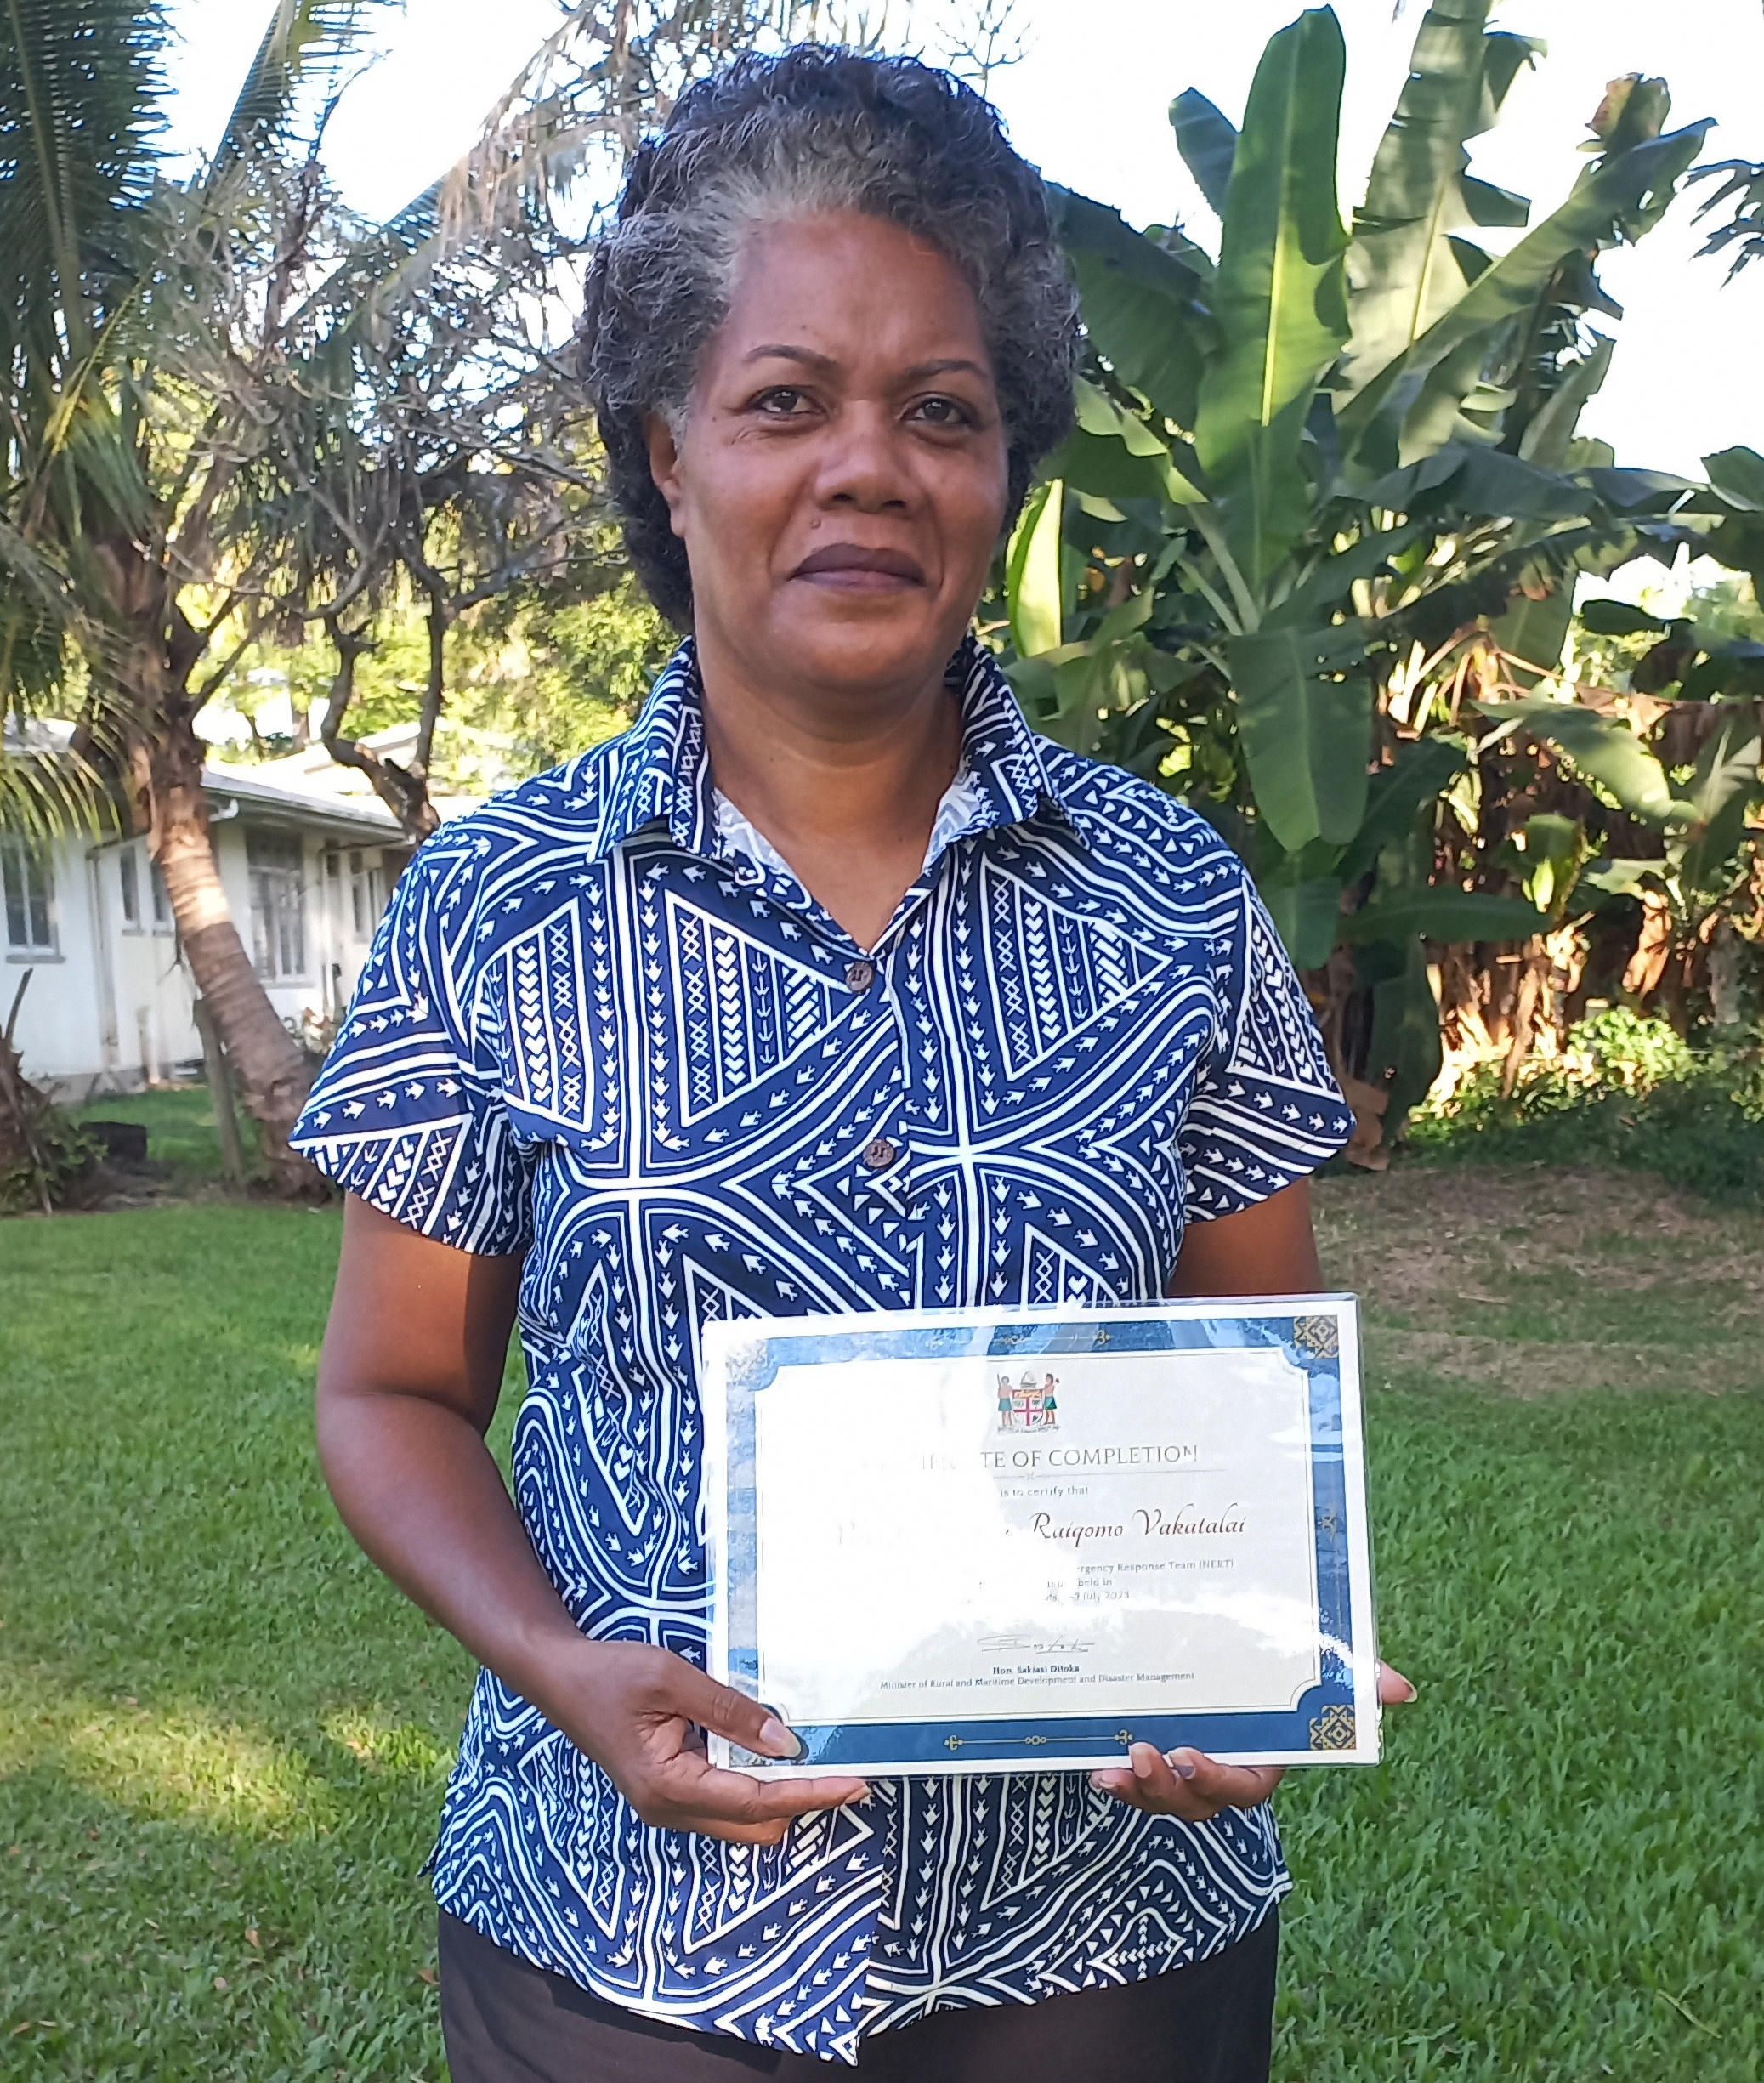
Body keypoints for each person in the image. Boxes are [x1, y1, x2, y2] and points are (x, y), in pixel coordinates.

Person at [294, 45, 1411, 2083]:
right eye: (787, 400)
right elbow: (389, 1391)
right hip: (624, 1942)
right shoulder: (500, 904)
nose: (869, 466)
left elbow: (1255, 1398)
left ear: (1003, 470)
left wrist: (1248, 1659)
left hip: (1100, 1946)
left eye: (944, 412)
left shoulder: (1170, 896)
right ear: (666, 449)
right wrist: (558, 1665)